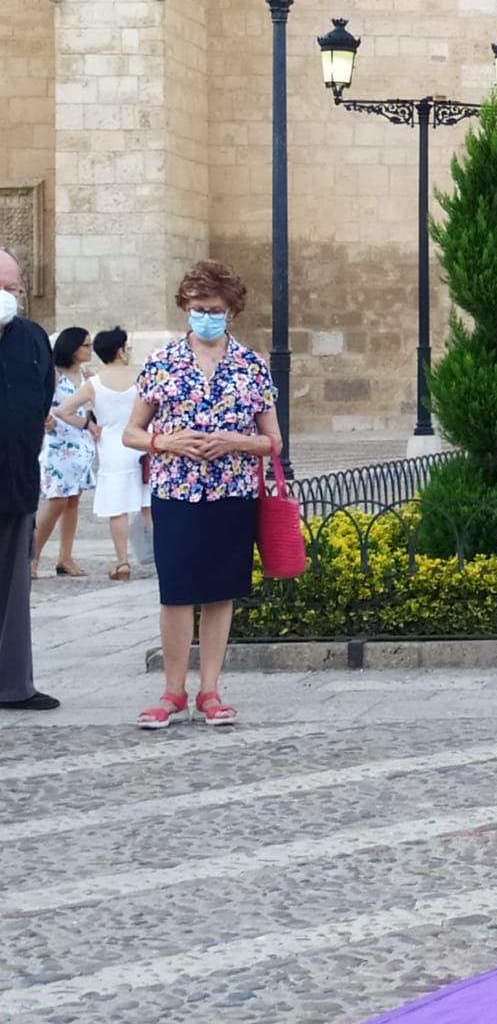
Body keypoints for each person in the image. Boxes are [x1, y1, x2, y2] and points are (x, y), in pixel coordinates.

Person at [125, 260, 281, 729]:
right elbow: (131, 432)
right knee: (175, 592)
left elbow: (273, 441)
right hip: (176, 492)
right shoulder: (162, 362)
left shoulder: (251, 366)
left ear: (231, 310)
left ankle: (210, 690)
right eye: (196, 308)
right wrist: (164, 441)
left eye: (213, 308)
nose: (204, 315)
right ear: (185, 308)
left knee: (219, 593)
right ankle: (173, 691)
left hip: (232, 493)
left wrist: (235, 441)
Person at [0, 249, 59, 711]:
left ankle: (14, 685)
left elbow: (42, 401)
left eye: (14, 286)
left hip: (16, 481)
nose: (10, 294)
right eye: (2, 287)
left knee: (13, 591)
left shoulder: (32, 338)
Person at [52, 327, 147, 580]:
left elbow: (62, 411)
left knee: (118, 509)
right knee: (149, 506)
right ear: (121, 350)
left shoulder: (94, 382)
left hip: (112, 448)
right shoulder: (141, 377)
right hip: (140, 444)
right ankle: (164, 558)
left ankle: (122, 563)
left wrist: (88, 424)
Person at [30, 326, 95, 578]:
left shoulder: (85, 374)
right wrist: (47, 418)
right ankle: (32, 557)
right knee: (56, 501)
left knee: (73, 500)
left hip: (81, 442)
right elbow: (41, 400)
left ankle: (65, 557)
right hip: (58, 444)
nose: (90, 349)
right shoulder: (55, 374)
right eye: (85, 345)